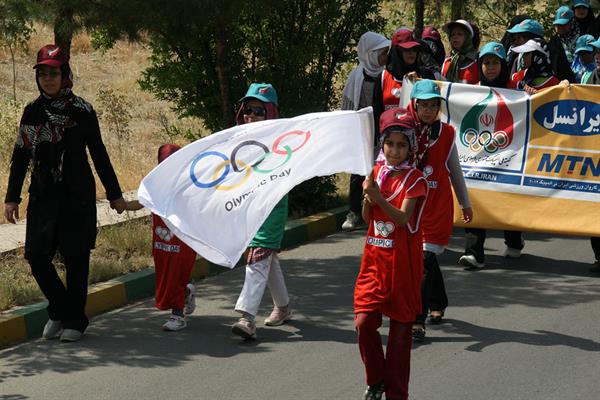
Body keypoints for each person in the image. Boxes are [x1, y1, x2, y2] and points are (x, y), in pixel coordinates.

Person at [3, 44, 126, 342]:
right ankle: (60, 309)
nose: (48, 78)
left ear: (65, 74)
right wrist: (12, 196)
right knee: (35, 254)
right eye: (43, 73)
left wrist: (115, 194)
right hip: (43, 195)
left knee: (75, 258)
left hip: (76, 196)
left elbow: (99, 153)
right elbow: (21, 155)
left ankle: (75, 321)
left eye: (54, 73)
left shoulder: (82, 110)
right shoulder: (32, 111)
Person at [354, 108, 428, 400]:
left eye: (401, 144)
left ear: (411, 146)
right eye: (390, 143)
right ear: (382, 144)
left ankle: (396, 393)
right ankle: (376, 379)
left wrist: (377, 197)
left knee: (399, 335)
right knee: (363, 323)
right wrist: (367, 197)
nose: (395, 150)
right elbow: (366, 218)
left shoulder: (416, 180)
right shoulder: (376, 174)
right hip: (373, 263)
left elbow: (401, 220)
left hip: (403, 267)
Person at [406, 80, 473, 342]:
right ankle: (439, 302)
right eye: (424, 104)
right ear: (415, 104)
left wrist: (465, 203)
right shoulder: (404, 132)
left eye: (435, 105)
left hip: (437, 209)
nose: (429, 110)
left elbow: (455, 171)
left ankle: (417, 320)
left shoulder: (446, 134)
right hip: (412, 209)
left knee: (423, 261)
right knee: (425, 263)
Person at [231, 83, 291, 340]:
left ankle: (247, 317)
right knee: (267, 258)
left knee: (257, 257)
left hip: (272, 207)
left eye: (258, 110)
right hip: (248, 207)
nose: (251, 115)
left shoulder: (283, 141)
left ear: (270, 112)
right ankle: (284, 306)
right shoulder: (237, 139)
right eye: (247, 110)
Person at [458, 42, 525, 269]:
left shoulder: (517, 88)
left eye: (495, 62)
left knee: (507, 201)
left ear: (503, 65)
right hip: (479, 157)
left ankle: (514, 241)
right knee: (476, 198)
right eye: (486, 63)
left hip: (509, 156)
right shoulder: (471, 90)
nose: (490, 67)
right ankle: (474, 252)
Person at [124, 144, 197, 331]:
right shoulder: (154, 186)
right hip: (162, 242)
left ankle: (178, 316)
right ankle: (186, 292)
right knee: (167, 276)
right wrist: (121, 204)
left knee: (176, 275)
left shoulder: (190, 185)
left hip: (183, 242)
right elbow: (140, 203)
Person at [341, 32, 390, 231]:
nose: (385, 56)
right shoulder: (356, 77)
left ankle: (380, 211)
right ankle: (354, 212)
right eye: (381, 53)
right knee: (358, 171)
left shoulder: (387, 74)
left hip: (384, 130)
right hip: (362, 130)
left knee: (382, 170)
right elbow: (349, 105)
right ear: (370, 54)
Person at [372, 28, 435, 134]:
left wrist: (419, 84)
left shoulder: (425, 75)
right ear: (397, 52)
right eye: (407, 50)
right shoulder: (382, 77)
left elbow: (435, 109)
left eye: (415, 49)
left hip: (418, 138)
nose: (412, 53)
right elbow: (376, 113)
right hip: (390, 140)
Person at [549, 5, 581, 83]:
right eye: (558, 24)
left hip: (580, 85)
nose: (560, 27)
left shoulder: (581, 39)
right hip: (561, 85)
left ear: (572, 22)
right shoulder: (553, 42)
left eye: (564, 24)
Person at [441, 19, 480, 84]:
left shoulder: (478, 61)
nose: (455, 37)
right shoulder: (447, 62)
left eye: (460, 34)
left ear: (468, 37)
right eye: (452, 34)